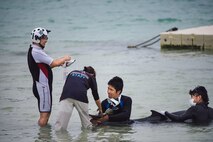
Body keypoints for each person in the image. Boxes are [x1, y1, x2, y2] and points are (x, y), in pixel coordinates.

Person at [27, 27, 71, 127]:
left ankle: (44, 135)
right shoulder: (36, 51)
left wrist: (60, 63)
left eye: (46, 37)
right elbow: (53, 62)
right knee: (44, 116)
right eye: (44, 37)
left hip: (41, 86)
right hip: (42, 87)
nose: (46, 40)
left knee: (46, 113)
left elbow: (49, 65)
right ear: (37, 39)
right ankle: (42, 137)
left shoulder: (34, 49)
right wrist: (65, 58)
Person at [55, 66, 103, 131]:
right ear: (93, 74)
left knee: (60, 126)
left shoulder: (72, 72)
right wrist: (100, 109)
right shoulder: (91, 77)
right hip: (81, 96)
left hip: (66, 95)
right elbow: (96, 96)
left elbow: (68, 84)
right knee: (87, 126)